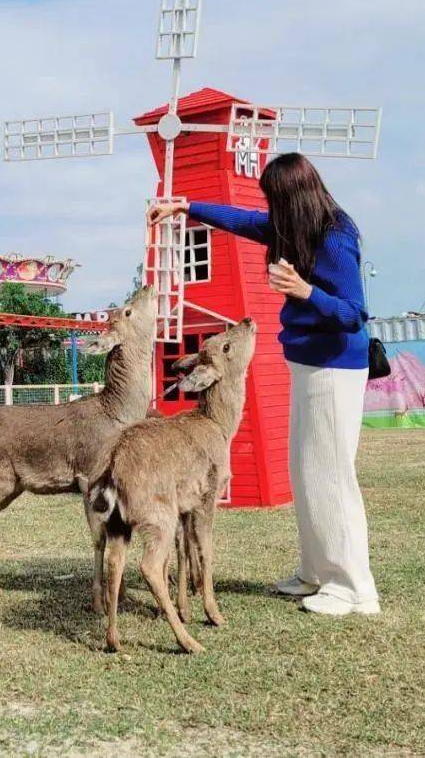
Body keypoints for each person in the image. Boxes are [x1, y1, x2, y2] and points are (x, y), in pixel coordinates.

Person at [148, 153, 379, 616]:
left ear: (293, 196)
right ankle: (317, 571)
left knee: (331, 476)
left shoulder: (334, 236)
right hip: (308, 364)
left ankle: (353, 587)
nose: (268, 206)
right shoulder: (293, 227)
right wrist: (188, 207)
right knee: (306, 472)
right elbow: (243, 221)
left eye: (274, 197)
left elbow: (354, 313)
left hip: (336, 366)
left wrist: (304, 291)